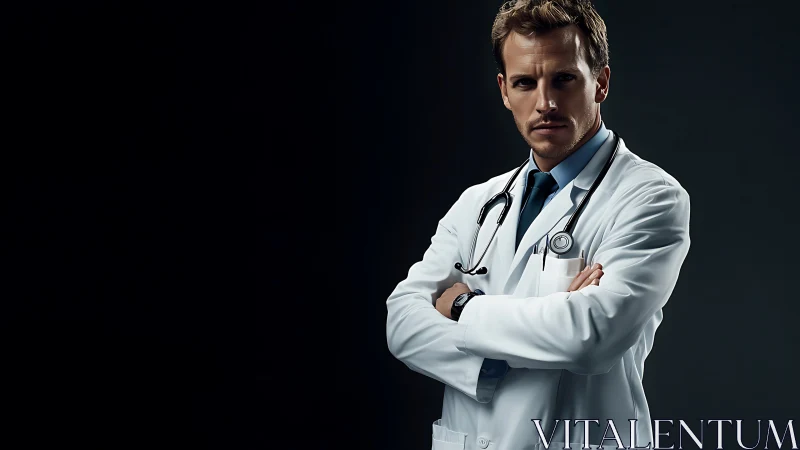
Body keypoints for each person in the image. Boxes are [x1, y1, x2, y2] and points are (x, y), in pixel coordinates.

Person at [385, 1, 691, 449]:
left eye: (564, 79)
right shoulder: (478, 203)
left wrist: (463, 307)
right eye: (525, 83)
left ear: (600, 82)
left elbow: (590, 337)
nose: (545, 103)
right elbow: (402, 323)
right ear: (504, 90)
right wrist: (495, 361)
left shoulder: (650, 197)